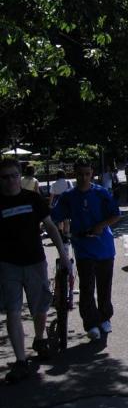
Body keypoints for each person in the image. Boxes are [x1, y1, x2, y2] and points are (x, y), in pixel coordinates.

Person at [0, 158, 72, 383]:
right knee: (12, 310)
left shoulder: (32, 199)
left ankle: (39, 339)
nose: (10, 180)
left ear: (19, 176)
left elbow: (50, 226)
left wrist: (63, 255)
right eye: (5, 177)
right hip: (7, 265)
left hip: (35, 262)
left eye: (13, 175)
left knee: (39, 307)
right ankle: (21, 362)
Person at [52, 159, 121, 341]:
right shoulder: (68, 196)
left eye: (87, 174)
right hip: (83, 247)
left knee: (104, 285)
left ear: (92, 174)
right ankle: (90, 323)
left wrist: (101, 225)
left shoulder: (101, 193)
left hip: (104, 247)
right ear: (74, 174)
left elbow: (116, 214)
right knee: (87, 286)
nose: (84, 177)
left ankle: (105, 317)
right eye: (80, 174)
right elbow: (55, 217)